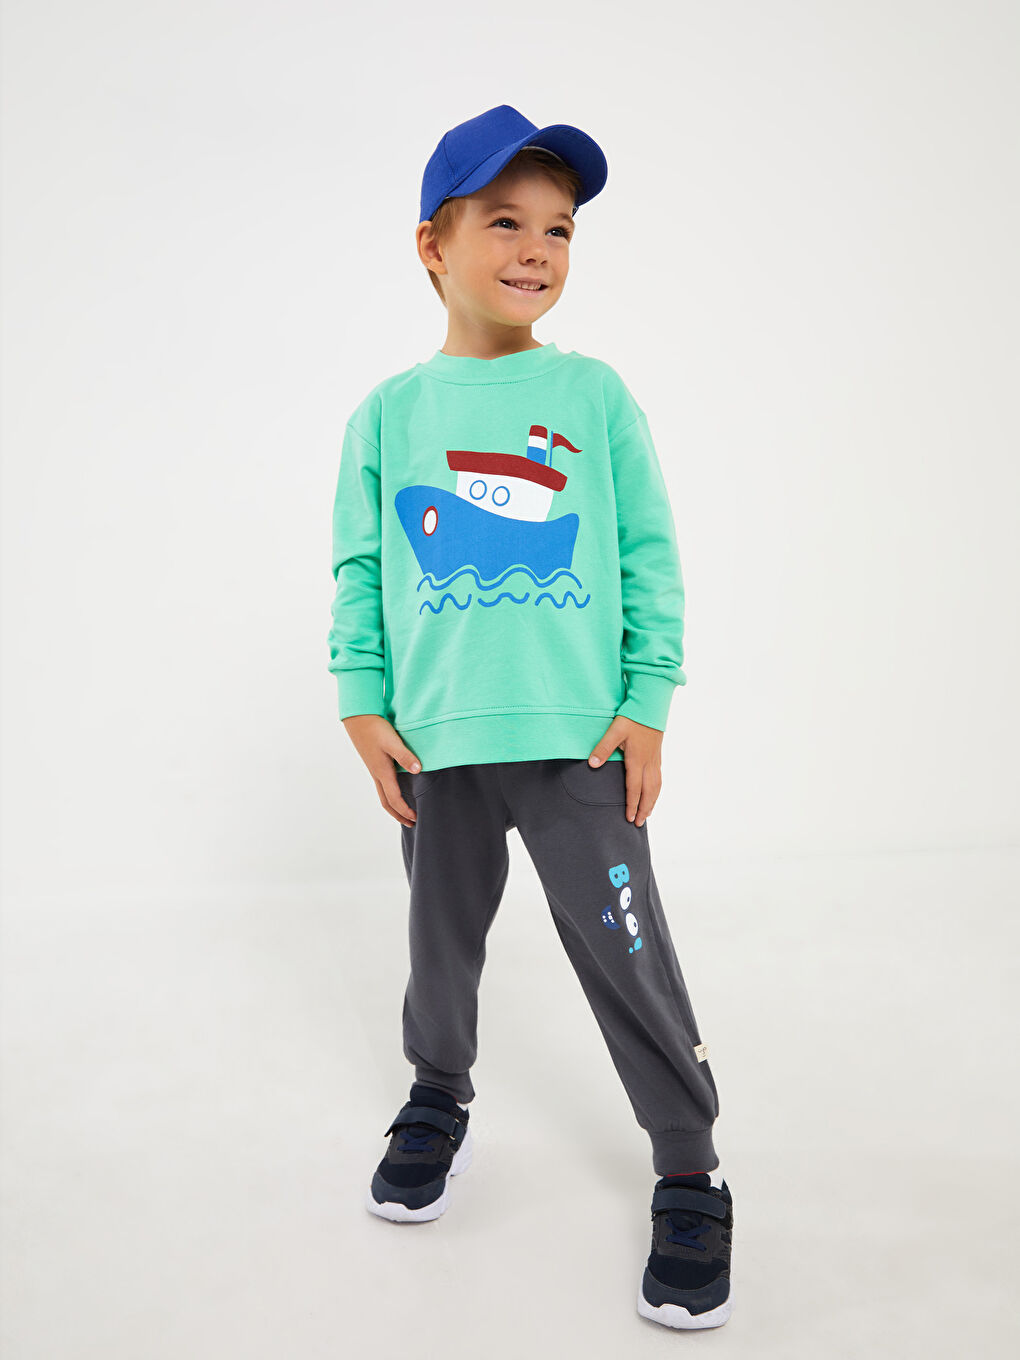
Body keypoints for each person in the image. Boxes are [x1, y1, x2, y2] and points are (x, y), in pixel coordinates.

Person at [326, 103, 733, 1330]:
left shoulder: (593, 396)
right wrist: (361, 699)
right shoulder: (388, 414)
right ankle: (437, 1091)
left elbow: (650, 553)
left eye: (558, 230)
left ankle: (689, 1163)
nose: (536, 250)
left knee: (627, 949)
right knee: (439, 943)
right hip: (438, 745)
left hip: (578, 747)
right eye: (505, 221)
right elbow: (360, 570)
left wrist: (646, 701)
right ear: (432, 245)